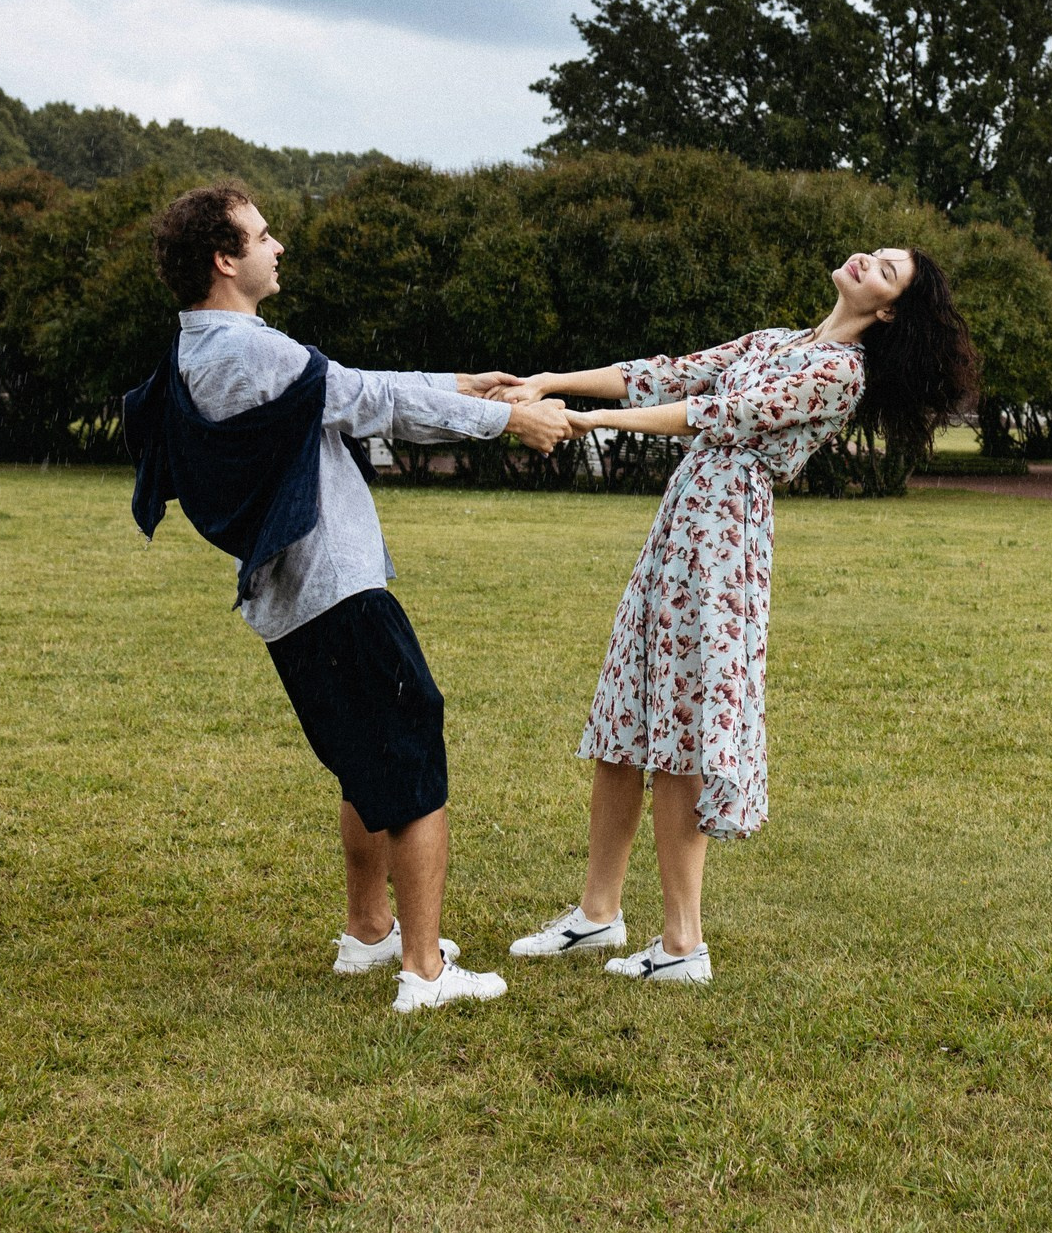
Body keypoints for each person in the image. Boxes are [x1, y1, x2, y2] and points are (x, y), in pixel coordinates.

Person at [123, 181, 572, 1012]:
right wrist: (507, 422)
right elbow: (370, 401)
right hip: (337, 590)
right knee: (411, 749)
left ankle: (372, 933)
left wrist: (460, 382)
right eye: (262, 235)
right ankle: (425, 974)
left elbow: (349, 386)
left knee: (364, 759)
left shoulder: (203, 351)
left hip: (295, 600)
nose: (277, 245)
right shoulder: (253, 352)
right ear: (226, 260)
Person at [492, 248, 977, 984]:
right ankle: (596, 915)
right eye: (873, 253)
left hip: (722, 547)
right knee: (625, 718)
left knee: (683, 729)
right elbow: (668, 372)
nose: (865, 260)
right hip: (680, 527)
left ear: (887, 311)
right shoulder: (777, 341)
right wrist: (549, 381)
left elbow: (715, 415)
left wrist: (590, 421)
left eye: (885, 270)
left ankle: (683, 944)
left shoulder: (841, 374)